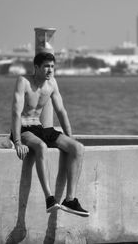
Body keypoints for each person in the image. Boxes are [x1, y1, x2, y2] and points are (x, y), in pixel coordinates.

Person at [10, 51, 89, 217]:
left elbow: (61, 111)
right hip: (24, 128)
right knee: (41, 146)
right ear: (36, 67)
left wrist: (69, 137)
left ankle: (70, 200)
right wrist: (17, 141)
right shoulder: (23, 81)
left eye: (52, 66)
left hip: (40, 127)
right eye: (46, 66)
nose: (50, 70)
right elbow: (16, 113)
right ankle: (49, 199)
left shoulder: (52, 84)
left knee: (78, 148)